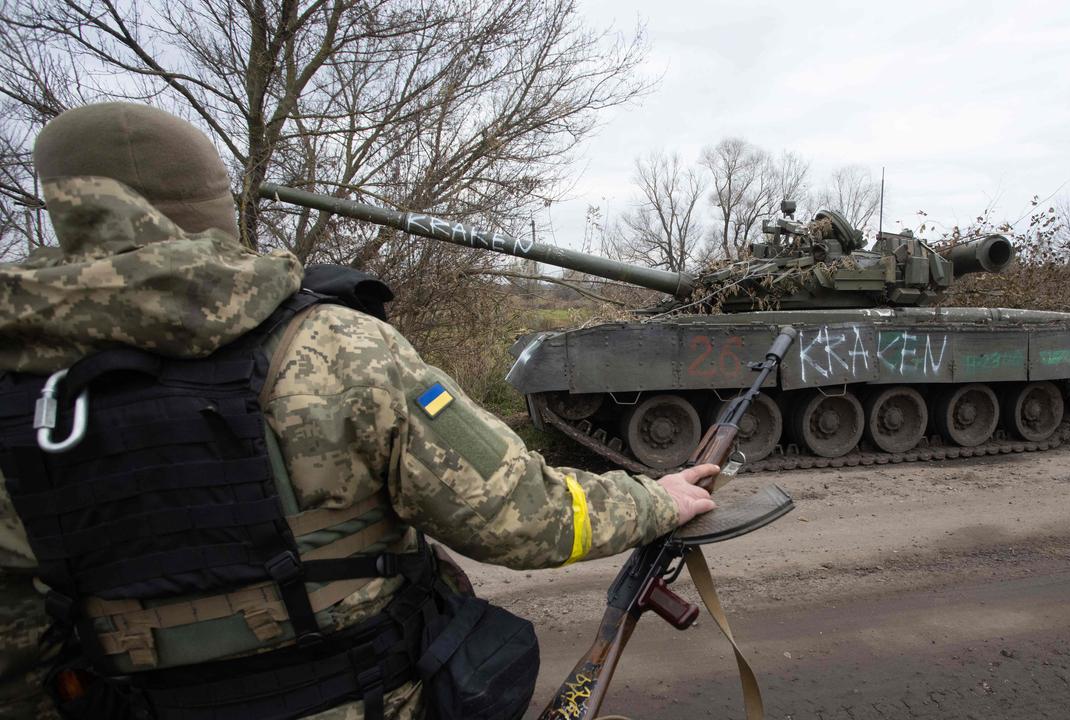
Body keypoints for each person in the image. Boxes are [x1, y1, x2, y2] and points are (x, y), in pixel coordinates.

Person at [0, 102, 718, 720]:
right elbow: (520, 514)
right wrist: (653, 500)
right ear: (213, 208)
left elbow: (17, 644)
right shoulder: (335, 346)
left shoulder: (16, 376)